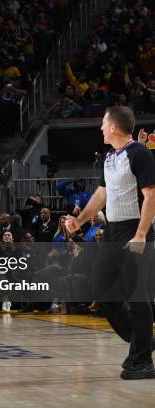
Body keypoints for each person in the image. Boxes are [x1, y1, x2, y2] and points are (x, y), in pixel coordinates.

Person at [65, 106, 155, 380]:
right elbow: (102, 195)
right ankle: (143, 343)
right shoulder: (109, 157)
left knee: (137, 295)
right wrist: (79, 222)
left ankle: (142, 361)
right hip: (113, 232)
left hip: (135, 230)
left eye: (104, 124)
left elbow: (151, 196)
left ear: (114, 127)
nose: (101, 128)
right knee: (101, 291)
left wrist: (141, 234)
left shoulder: (140, 153)